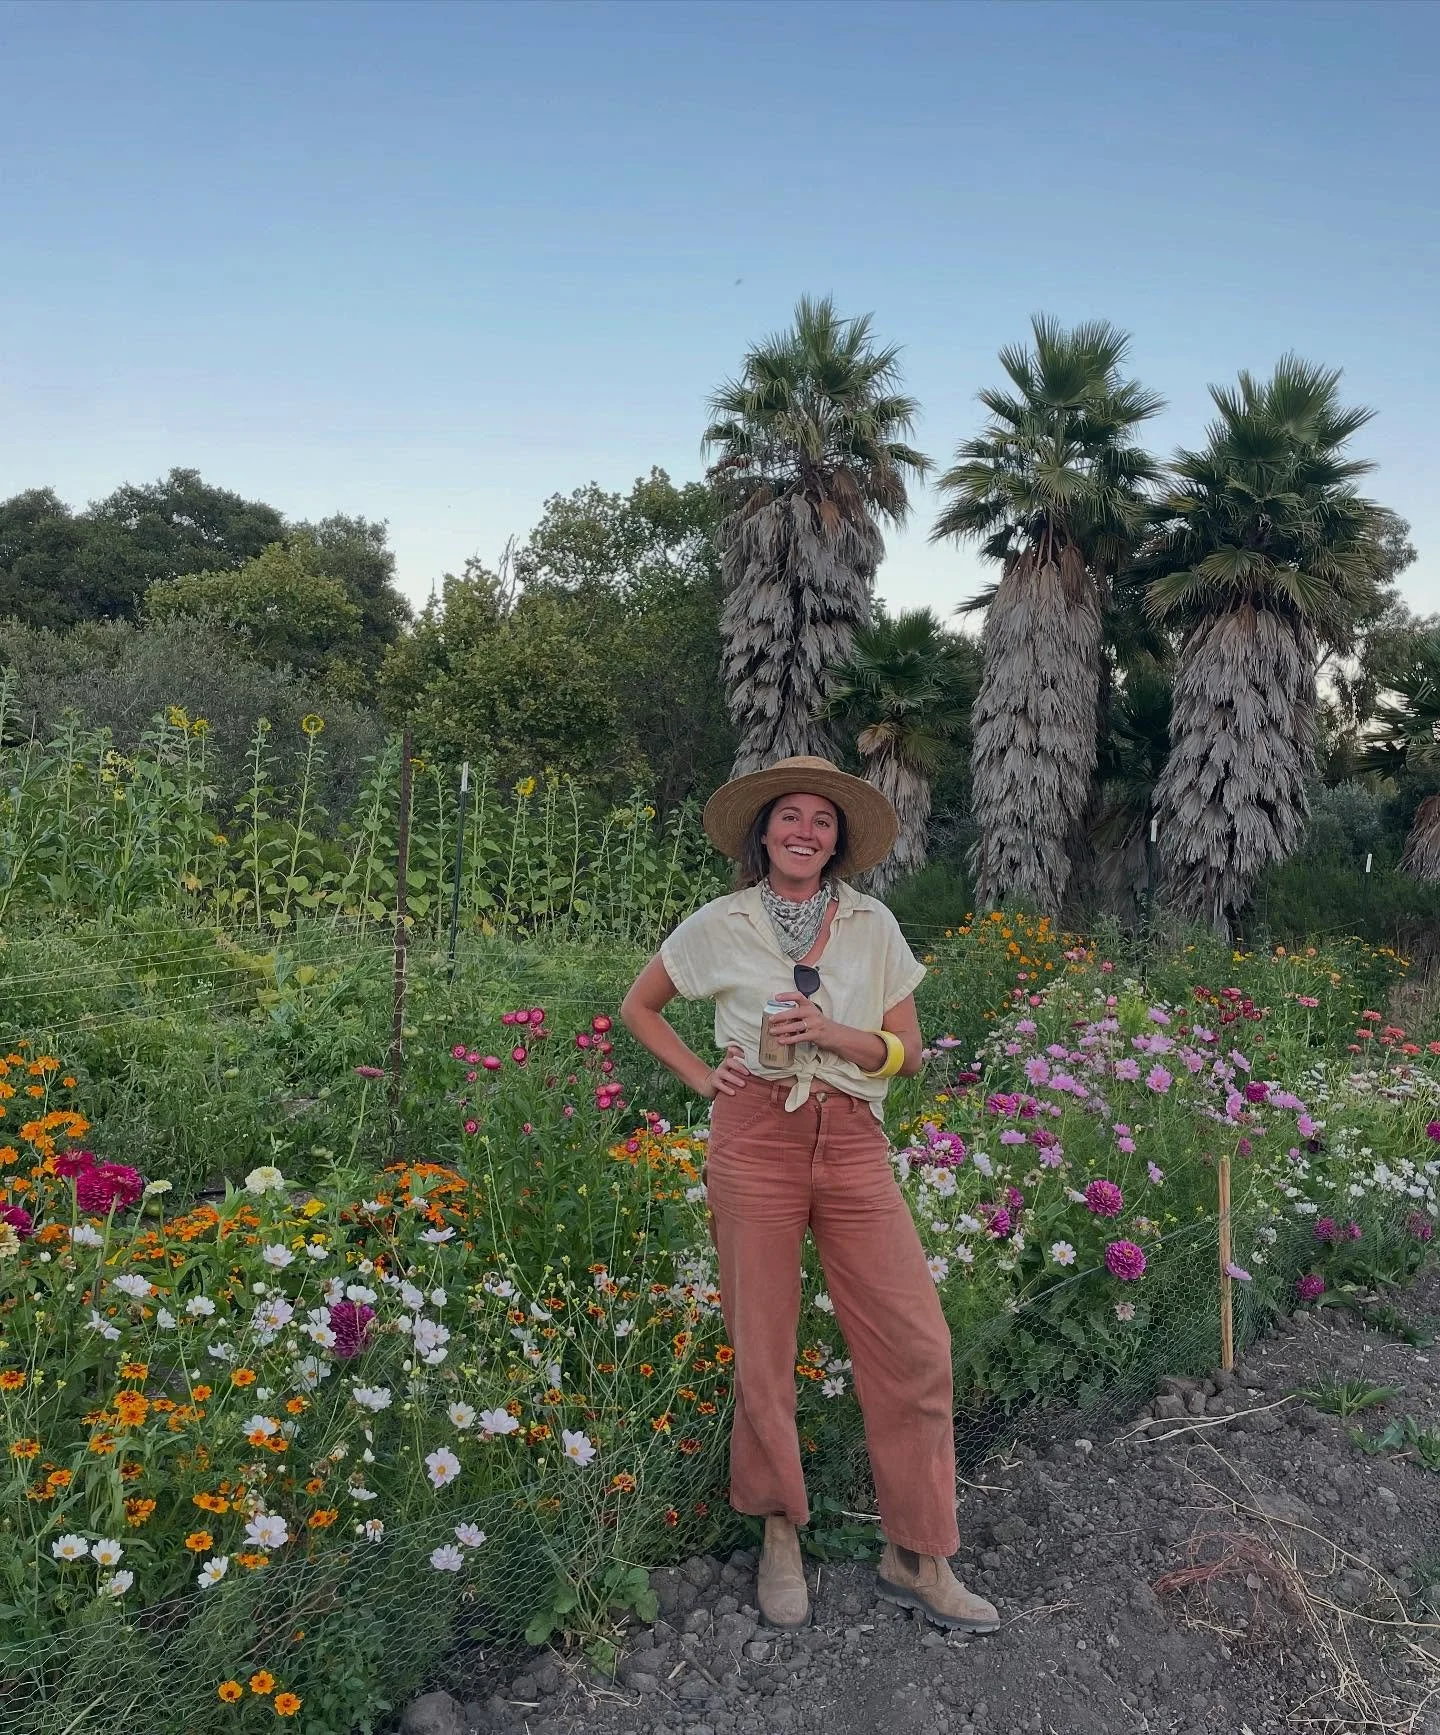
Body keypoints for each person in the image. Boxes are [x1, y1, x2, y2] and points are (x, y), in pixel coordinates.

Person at [620, 754, 999, 1635]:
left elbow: (908, 1052)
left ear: (838, 839)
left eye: (820, 820)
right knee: (764, 1342)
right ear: (763, 832)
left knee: (916, 1340)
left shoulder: (872, 924)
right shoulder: (720, 923)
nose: (803, 830)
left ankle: (918, 1551)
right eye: (787, 815)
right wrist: (700, 1078)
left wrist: (837, 1033)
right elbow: (639, 1007)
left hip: (854, 1140)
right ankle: (780, 1531)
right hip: (754, 1135)